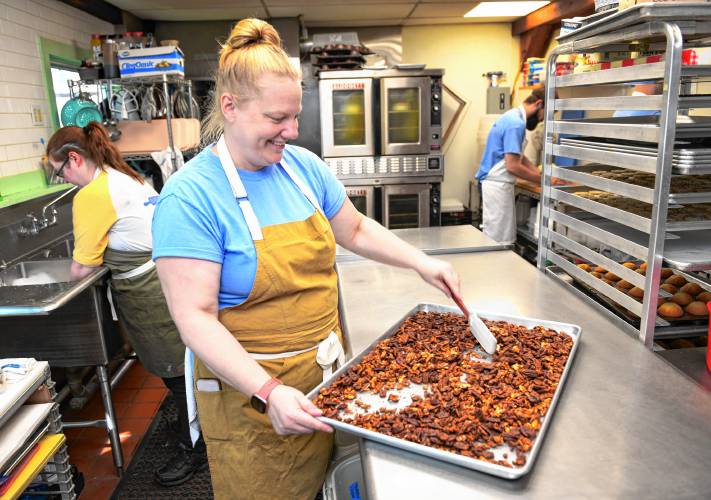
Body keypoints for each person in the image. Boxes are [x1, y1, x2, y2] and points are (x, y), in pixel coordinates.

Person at [151, 18, 463, 500]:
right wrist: (269, 392)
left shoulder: (303, 168)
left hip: (326, 375)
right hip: (250, 398)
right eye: (277, 119)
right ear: (230, 107)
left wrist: (422, 262)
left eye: (294, 117)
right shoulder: (190, 197)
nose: (291, 132)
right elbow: (195, 318)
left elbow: (355, 228)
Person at [44, 123, 206, 486]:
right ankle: (190, 428)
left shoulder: (93, 194)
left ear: (74, 158)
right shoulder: (121, 175)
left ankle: (196, 449)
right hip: (169, 276)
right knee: (180, 365)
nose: (64, 179)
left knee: (176, 372)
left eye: (60, 172)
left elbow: (81, 268)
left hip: (151, 289)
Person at [476, 87, 556, 244]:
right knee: (499, 243)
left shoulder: (512, 116)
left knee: (497, 239)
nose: (542, 121)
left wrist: (542, 176)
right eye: (544, 116)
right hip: (497, 187)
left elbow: (519, 156)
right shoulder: (516, 123)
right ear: (539, 104)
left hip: (497, 185)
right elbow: (513, 166)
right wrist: (544, 181)